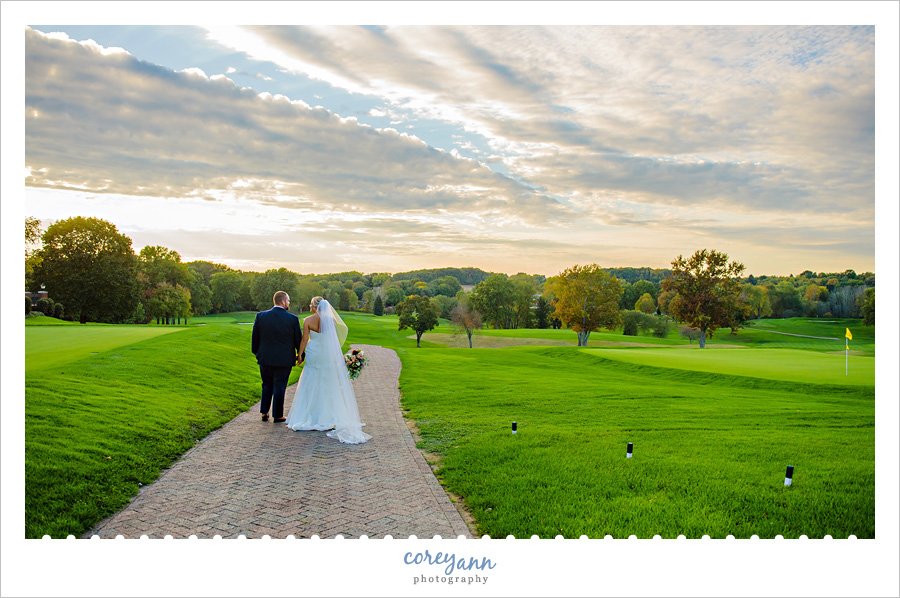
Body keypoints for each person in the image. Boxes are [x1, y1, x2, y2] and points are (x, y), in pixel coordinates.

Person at [285, 296, 371, 444]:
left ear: (314, 306)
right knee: (327, 381)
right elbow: (332, 341)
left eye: (311, 304)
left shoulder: (307, 320)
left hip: (313, 353)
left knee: (311, 380)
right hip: (326, 353)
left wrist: (299, 355)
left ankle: (309, 414)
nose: (310, 306)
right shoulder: (330, 320)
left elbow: (304, 340)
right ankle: (328, 414)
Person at [251, 291, 302, 423]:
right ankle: (278, 415)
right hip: (284, 359)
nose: (289, 303)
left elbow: (255, 339)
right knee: (280, 385)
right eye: (288, 300)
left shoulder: (261, 316)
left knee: (266, 384)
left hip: (265, 358)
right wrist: (300, 355)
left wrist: (257, 353)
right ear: (282, 302)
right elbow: (298, 340)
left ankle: (264, 412)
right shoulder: (292, 319)